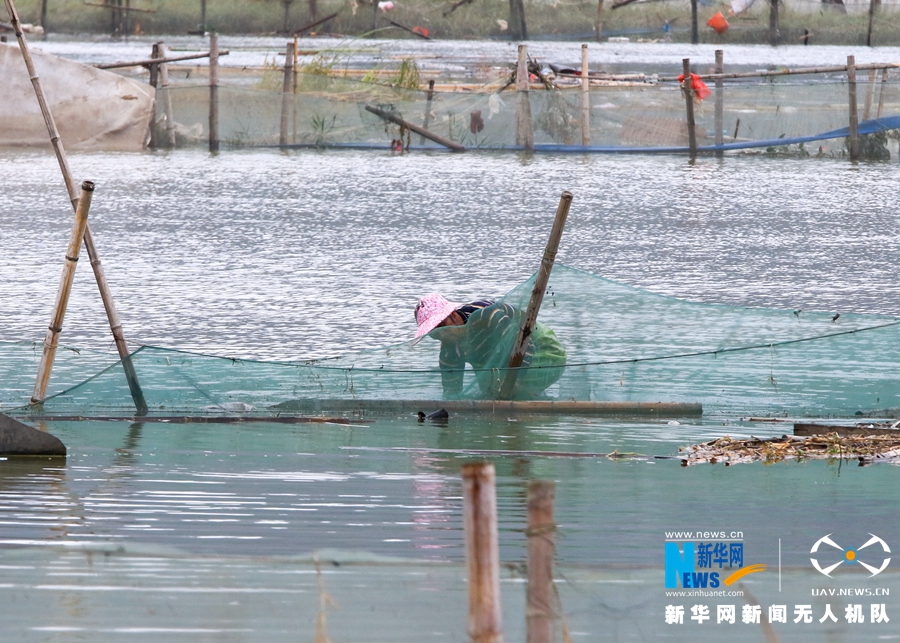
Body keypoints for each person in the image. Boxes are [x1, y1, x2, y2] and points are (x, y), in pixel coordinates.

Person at [413, 294, 566, 399]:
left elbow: (525, 344)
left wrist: (515, 381)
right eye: (433, 332)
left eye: (441, 326)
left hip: (542, 349)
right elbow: (451, 393)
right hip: (499, 359)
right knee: (490, 394)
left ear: (453, 315)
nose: (441, 334)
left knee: (512, 395)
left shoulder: (485, 316)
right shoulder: (449, 351)